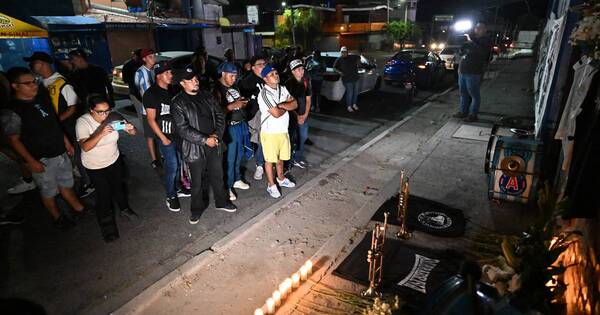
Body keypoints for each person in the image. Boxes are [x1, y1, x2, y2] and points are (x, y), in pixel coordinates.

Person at [1, 67, 85, 230]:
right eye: (27, 83)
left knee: (66, 183)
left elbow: (54, 123)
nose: (33, 86)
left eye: (34, 81)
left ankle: (78, 208)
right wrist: (31, 161)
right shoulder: (13, 110)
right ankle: (57, 217)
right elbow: (14, 140)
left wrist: (66, 142)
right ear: (15, 86)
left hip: (59, 151)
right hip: (41, 158)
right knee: (48, 191)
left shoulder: (41, 98)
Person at [171, 67, 237, 224]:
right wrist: (204, 139)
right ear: (182, 83)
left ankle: (222, 202)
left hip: (214, 143)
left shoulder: (207, 95)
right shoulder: (178, 103)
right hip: (195, 147)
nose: (195, 81)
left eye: (195, 78)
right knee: (197, 182)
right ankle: (196, 210)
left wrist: (216, 136)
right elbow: (182, 129)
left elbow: (220, 116)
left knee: (218, 175)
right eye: (190, 79)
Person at [25, 51, 95, 199]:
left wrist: (54, 122)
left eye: (34, 63)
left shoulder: (62, 82)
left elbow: (72, 107)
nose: (31, 66)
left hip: (67, 127)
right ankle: (74, 179)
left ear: (43, 63)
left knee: (77, 154)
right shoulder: (40, 84)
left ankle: (89, 182)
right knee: (68, 155)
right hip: (57, 128)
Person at [76, 94, 138, 242]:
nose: (105, 115)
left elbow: (133, 133)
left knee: (119, 187)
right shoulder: (83, 122)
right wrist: (101, 133)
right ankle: (108, 226)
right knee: (103, 195)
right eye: (100, 112)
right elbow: (85, 147)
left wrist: (130, 129)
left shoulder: (113, 116)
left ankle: (125, 209)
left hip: (113, 160)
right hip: (95, 166)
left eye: (107, 110)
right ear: (91, 110)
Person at [143, 61, 184, 212]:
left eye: (171, 72)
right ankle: (170, 195)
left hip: (177, 134)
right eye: (167, 73)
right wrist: (163, 138)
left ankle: (178, 188)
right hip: (165, 136)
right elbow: (151, 119)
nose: (170, 75)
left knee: (179, 163)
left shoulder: (172, 90)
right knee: (171, 166)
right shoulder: (151, 93)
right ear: (158, 75)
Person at [257, 64, 297, 198]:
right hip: (270, 133)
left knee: (280, 159)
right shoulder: (264, 94)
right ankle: (271, 185)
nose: (276, 75)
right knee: (269, 160)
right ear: (265, 79)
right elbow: (276, 113)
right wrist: (286, 105)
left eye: (276, 72)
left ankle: (280, 178)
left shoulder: (283, 88)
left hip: (283, 131)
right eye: (271, 74)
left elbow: (295, 104)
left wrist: (281, 105)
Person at [213, 62, 252, 201]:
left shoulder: (234, 86)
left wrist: (241, 102)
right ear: (223, 73)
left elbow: (236, 101)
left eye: (235, 76)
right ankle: (227, 186)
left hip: (240, 125)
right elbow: (216, 113)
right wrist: (232, 106)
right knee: (229, 158)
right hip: (228, 128)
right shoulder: (216, 89)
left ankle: (236, 178)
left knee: (238, 154)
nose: (234, 78)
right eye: (231, 75)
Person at [454, 22, 491, 122]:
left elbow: (482, 53)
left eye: (479, 28)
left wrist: (471, 42)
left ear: (485, 29)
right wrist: (462, 47)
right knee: (463, 93)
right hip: (463, 70)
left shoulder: (485, 40)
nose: (477, 29)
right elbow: (461, 53)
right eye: (476, 27)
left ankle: (473, 115)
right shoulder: (471, 39)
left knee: (474, 95)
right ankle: (463, 112)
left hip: (474, 72)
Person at [239, 55, 267, 181]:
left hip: (268, 114)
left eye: (264, 63)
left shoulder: (269, 77)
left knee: (264, 139)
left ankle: (262, 164)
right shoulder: (248, 81)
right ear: (253, 67)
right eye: (260, 64)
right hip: (254, 115)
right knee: (259, 140)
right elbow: (243, 99)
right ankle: (260, 164)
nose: (263, 66)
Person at [134, 48, 161, 169]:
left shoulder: (155, 70)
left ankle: (162, 154)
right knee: (150, 135)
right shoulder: (140, 73)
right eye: (150, 57)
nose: (153, 58)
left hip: (159, 107)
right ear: (144, 59)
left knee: (161, 130)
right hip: (148, 109)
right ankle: (154, 159)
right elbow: (137, 89)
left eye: (153, 56)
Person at [285, 59, 311, 169]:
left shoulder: (305, 81)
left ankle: (298, 157)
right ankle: (289, 160)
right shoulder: (288, 84)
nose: (301, 71)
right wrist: (297, 116)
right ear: (293, 71)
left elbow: (308, 100)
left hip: (303, 116)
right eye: (298, 69)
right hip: (292, 117)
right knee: (291, 138)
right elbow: (286, 102)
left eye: (302, 69)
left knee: (303, 137)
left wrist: (304, 115)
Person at [333, 46, 361, 112]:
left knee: (355, 92)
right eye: (342, 52)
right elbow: (334, 67)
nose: (343, 53)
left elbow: (359, 56)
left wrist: (358, 62)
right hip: (346, 79)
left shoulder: (352, 57)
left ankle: (354, 104)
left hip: (355, 78)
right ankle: (349, 106)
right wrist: (339, 72)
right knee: (350, 92)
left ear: (347, 52)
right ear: (340, 52)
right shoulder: (339, 59)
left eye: (345, 52)